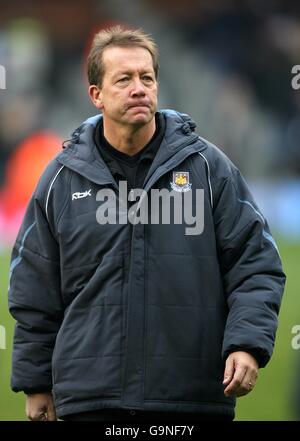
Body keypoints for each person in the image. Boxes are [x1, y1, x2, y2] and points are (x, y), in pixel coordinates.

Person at [8, 25, 285, 422]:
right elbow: (34, 290)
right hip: (90, 401)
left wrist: (246, 343)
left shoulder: (209, 168)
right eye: (124, 79)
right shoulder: (60, 179)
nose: (139, 88)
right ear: (96, 95)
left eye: (147, 77)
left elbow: (256, 263)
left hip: (191, 398)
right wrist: (36, 383)